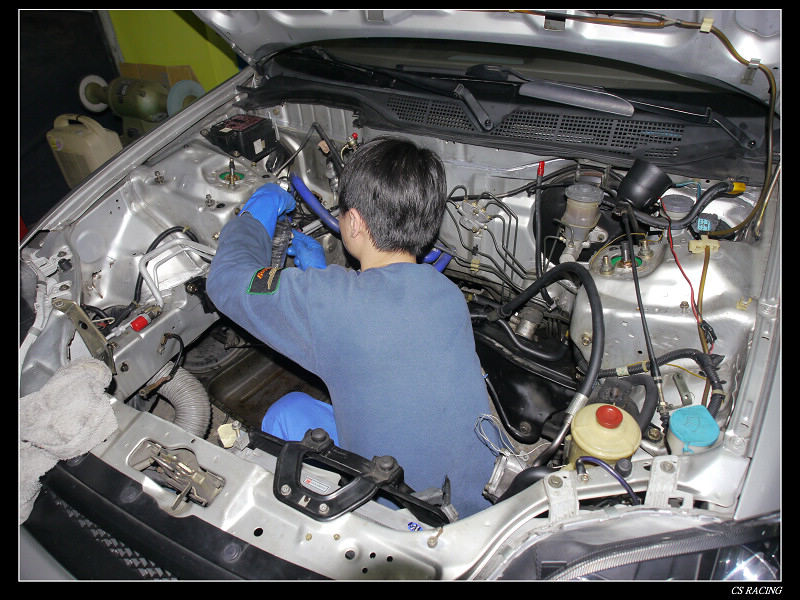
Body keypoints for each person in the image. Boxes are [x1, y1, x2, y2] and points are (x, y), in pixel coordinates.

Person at [206, 136, 494, 518]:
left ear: (354, 222)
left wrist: (257, 211)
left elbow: (227, 280)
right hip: (481, 503)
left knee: (285, 413)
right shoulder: (446, 292)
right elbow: (376, 324)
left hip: (406, 513)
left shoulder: (331, 303)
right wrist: (322, 275)